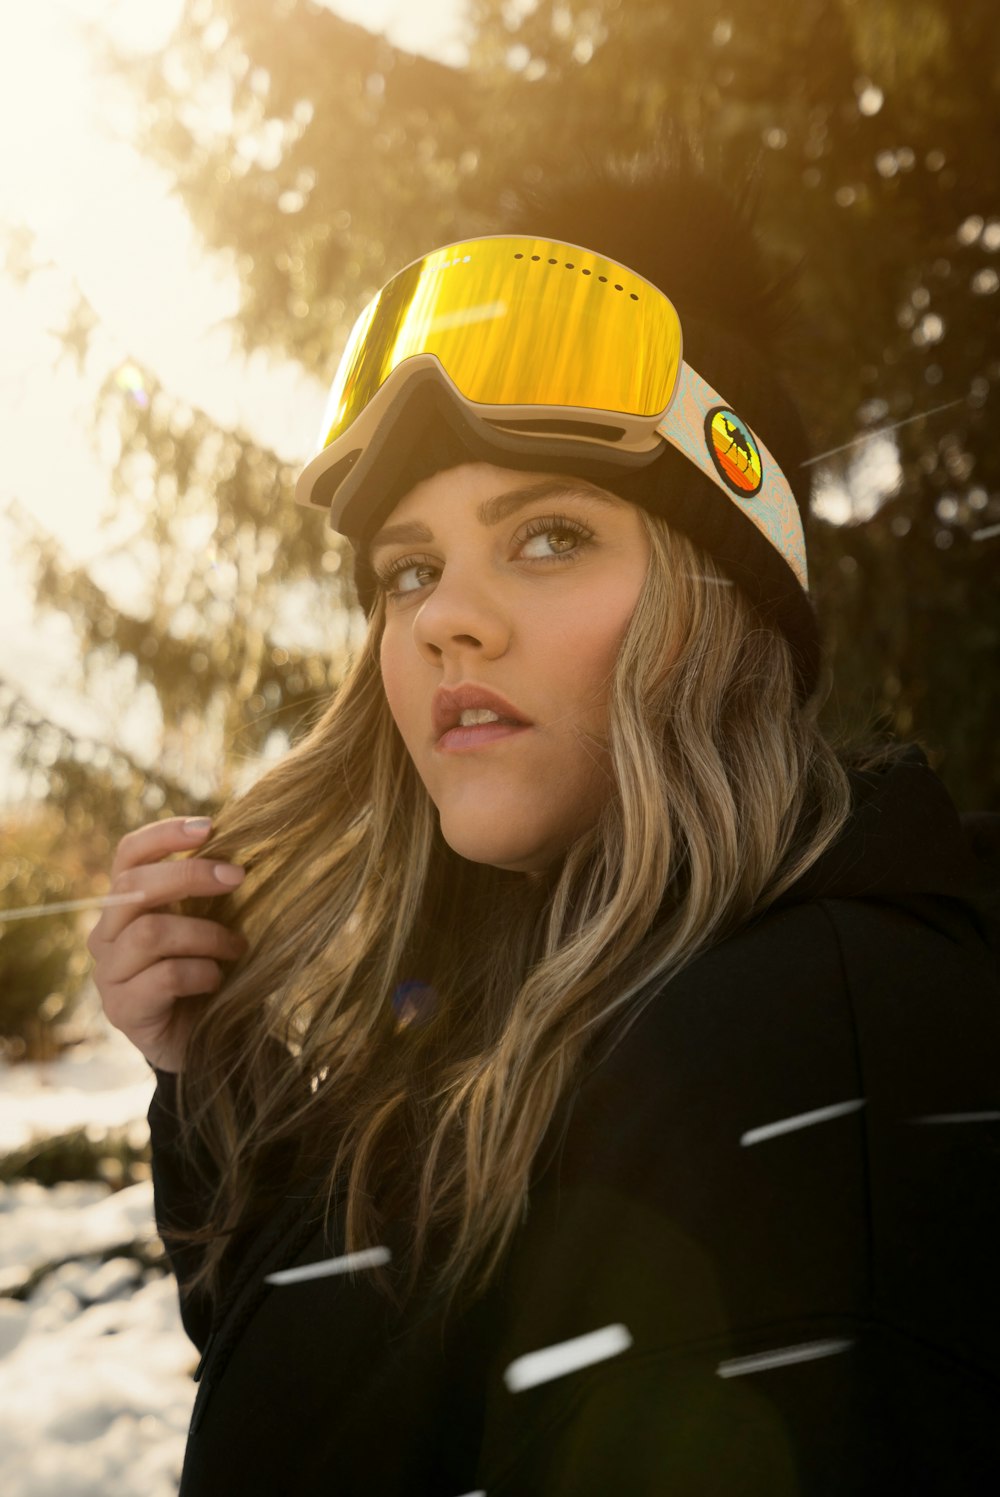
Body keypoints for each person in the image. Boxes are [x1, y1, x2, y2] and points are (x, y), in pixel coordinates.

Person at [89, 139, 1000, 1495]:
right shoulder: (531, 1003)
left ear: (726, 599)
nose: (447, 615)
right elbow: (365, 1398)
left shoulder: (789, 1044)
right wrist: (213, 1084)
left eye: (550, 536)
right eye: (410, 568)